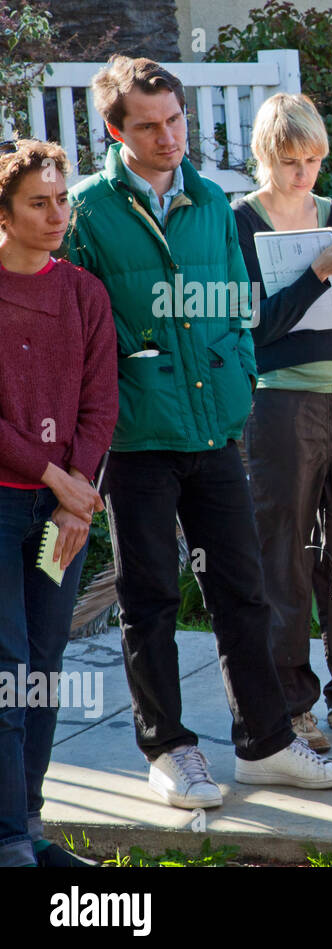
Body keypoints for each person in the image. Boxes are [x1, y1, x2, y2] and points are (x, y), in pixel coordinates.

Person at [66, 56, 332, 810]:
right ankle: (170, 750)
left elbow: (236, 313)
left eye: (178, 120)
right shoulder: (88, 210)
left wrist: (231, 391)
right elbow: (80, 331)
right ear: (115, 130)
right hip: (136, 439)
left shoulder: (212, 204)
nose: (170, 137)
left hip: (218, 429)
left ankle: (264, 741)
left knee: (243, 591)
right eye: (152, 126)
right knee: (151, 596)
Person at [231, 93, 332, 754]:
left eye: (313, 160)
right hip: (278, 402)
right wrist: (316, 274)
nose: (303, 174)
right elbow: (252, 328)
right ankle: (293, 705)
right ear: (266, 156)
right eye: (291, 161)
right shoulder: (241, 222)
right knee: (283, 555)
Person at [0, 140, 117, 867]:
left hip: (59, 519)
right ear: (4, 212)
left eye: (62, 200)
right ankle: (8, 838)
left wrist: (75, 499)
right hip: (7, 506)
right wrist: (54, 474)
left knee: (43, 664)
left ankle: (31, 829)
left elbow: (100, 403)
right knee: (7, 665)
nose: (56, 215)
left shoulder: (84, 293)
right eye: (38, 204)